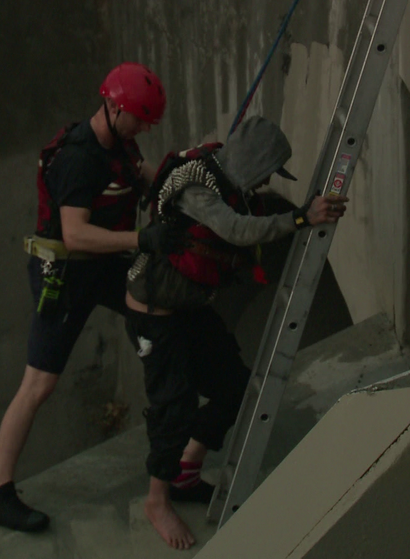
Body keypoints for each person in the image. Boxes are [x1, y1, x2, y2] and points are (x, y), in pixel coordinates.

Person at [123, 116, 347, 550]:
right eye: (266, 172)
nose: (265, 182)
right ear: (250, 162)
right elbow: (238, 231)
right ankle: (157, 501)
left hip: (188, 311)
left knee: (235, 387)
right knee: (174, 407)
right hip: (155, 314)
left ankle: (186, 472)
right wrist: (300, 219)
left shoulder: (227, 177)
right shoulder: (197, 189)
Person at [0, 62, 185, 532]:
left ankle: (177, 463)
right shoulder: (79, 157)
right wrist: (142, 240)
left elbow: (145, 177)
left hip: (105, 266)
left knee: (164, 319)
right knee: (39, 384)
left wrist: (180, 183)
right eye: (138, 118)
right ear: (114, 107)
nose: (142, 128)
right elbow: (74, 235)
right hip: (68, 274)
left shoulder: (120, 142)